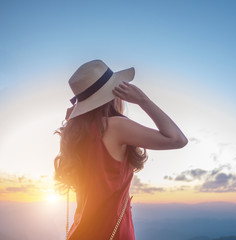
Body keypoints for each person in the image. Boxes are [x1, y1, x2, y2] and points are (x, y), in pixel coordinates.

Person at [53, 59, 188, 240]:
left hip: (81, 230)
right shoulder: (114, 126)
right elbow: (177, 139)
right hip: (111, 231)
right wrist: (143, 100)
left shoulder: (72, 135)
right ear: (113, 95)